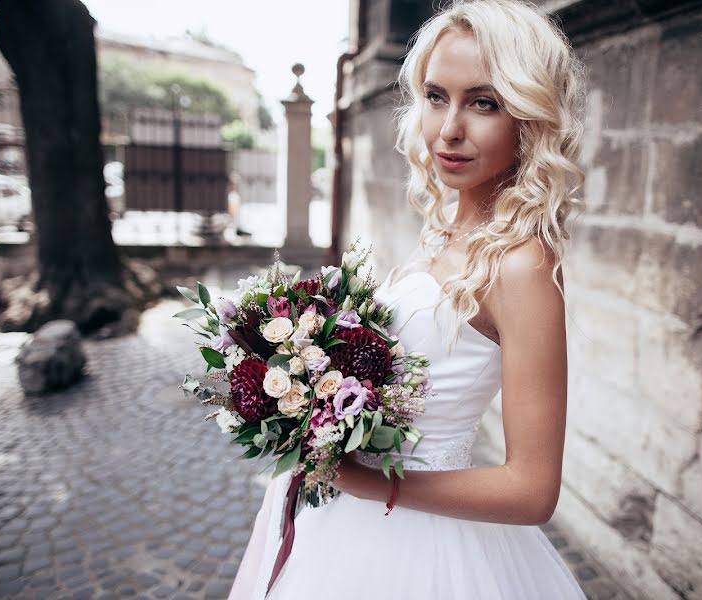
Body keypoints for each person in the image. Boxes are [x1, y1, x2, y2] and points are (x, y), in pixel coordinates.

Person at [228, 0, 587, 597]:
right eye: (436, 95)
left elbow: (532, 490)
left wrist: (370, 483)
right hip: (342, 520)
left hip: (419, 542)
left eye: (484, 102)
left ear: (528, 116)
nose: (449, 128)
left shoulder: (521, 266)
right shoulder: (445, 226)